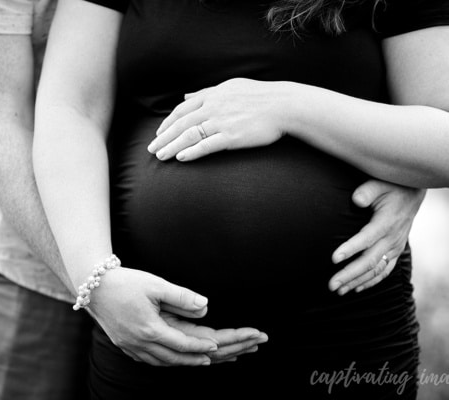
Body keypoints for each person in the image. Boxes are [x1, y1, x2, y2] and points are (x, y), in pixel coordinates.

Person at [31, 0, 445, 398]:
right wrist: (96, 277)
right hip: (149, 326)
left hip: (344, 328)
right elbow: (70, 110)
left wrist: (290, 106)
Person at [0, 0, 302, 398]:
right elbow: (0, 123)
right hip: (39, 266)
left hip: (165, 260)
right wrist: (93, 284)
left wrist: (389, 173)